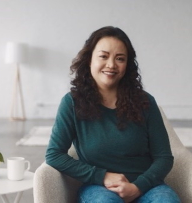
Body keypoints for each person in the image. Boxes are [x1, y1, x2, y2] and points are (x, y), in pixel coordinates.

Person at [45, 26, 180, 203]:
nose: (111, 65)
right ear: (89, 60)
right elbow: (54, 154)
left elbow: (164, 158)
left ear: (127, 65)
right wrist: (103, 176)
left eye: (120, 59)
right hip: (99, 188)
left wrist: (138, 186)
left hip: (147, 187)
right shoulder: (72, 103)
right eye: (103, 56)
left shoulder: (145, 102)